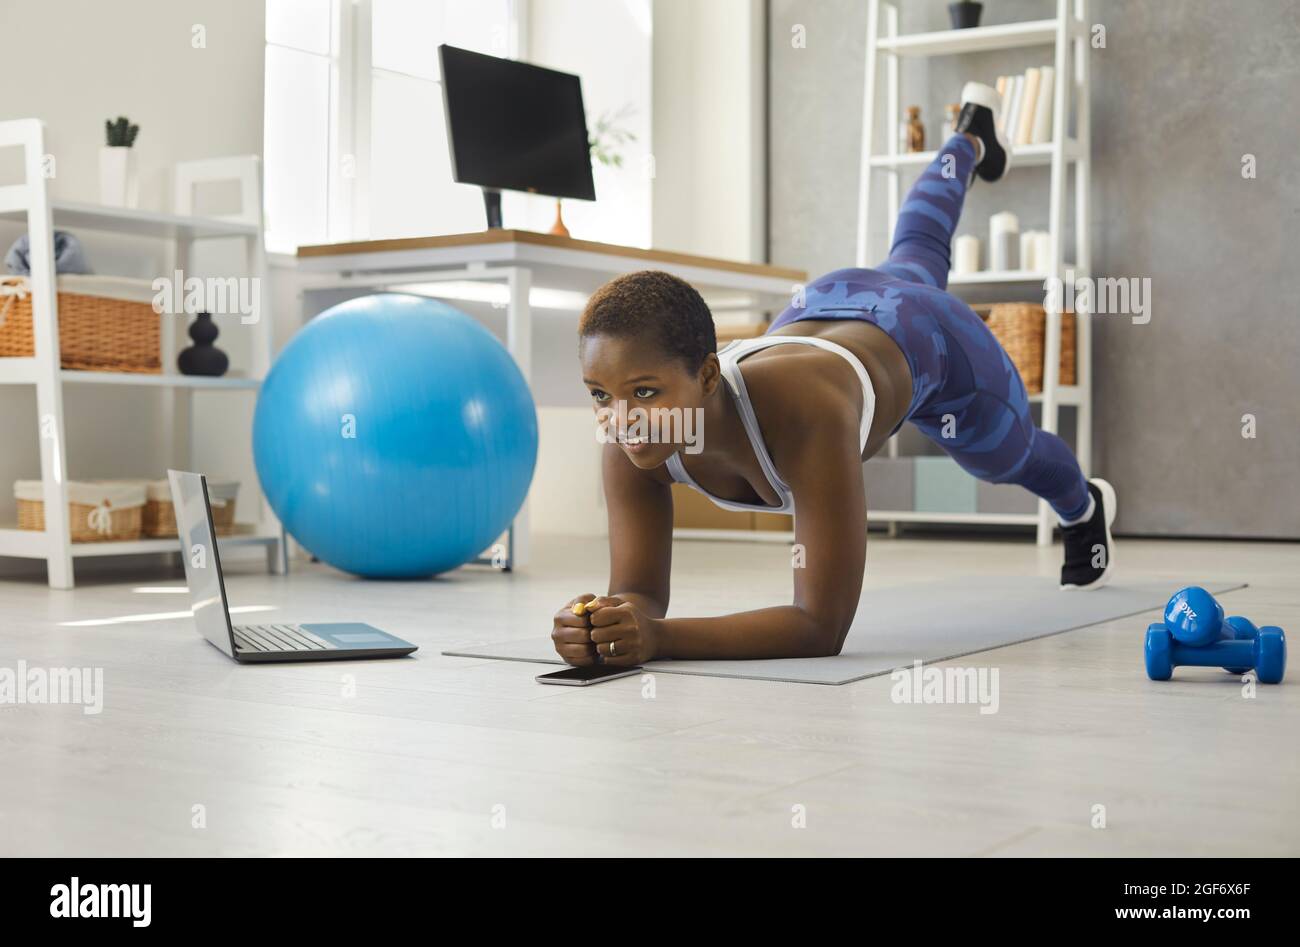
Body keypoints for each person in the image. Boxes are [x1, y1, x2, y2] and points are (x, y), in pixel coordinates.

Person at [552, 83, 1115, 667]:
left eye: (645, 392)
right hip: (829, 302)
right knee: (916, 252)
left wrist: (661, 640)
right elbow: (640, 596)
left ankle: (1084, 507)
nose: (622, 422)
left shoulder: (804, 416)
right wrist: (605, 621)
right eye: (600, 396)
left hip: (931, 338)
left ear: (708, 376)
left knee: (1005, 458)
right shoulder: (625, 436)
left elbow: (820, 627)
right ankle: (971, 135)